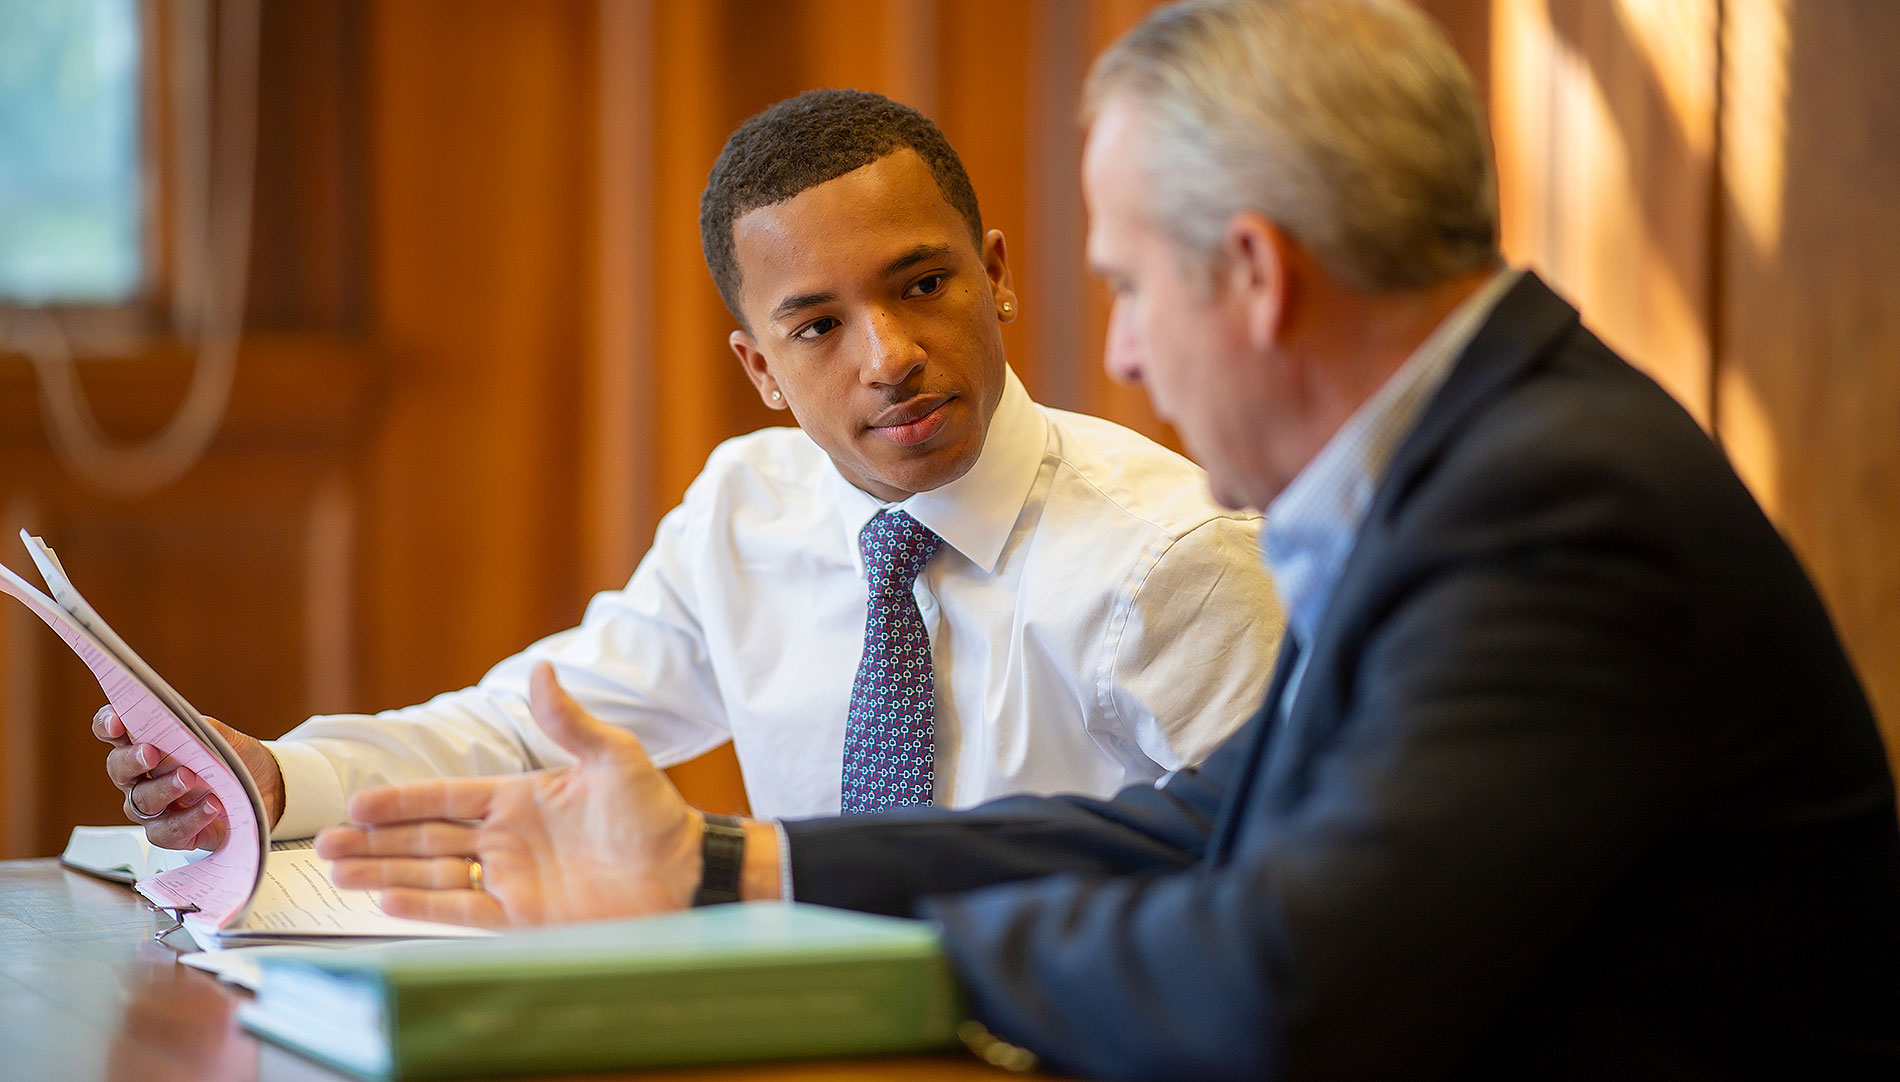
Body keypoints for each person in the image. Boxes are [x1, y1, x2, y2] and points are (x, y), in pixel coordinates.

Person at [320, 2, 1900, 1079]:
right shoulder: (1480, 462)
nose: (1126, 354)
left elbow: (1283, 977)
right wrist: (727, 866)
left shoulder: (1554, 514)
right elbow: (1195, 827)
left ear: (1257, 278)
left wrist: (866, 981)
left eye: (1131, 285)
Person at [93, 89, 1283, 850]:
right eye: (816, 327)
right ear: (759, 366)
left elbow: (1295, 894)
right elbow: (526, 729)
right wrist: (275, 773)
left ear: (997, 273)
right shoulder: (744, 512)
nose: (890, 358)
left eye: (923, 284)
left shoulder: (1169, 557)